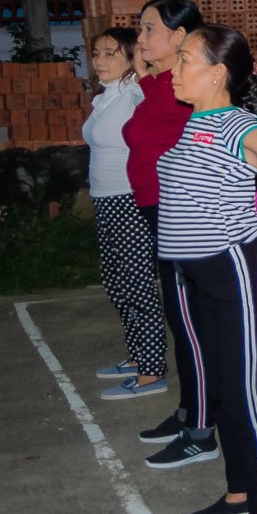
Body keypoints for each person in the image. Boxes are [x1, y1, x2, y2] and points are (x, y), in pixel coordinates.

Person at [157, 24, 257, 514]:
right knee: (224, 391)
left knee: (249, 393)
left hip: (232, 269)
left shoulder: (238, 124)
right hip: (196, 276)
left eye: (184, 59)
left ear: (217, 73)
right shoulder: (197, 121)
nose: (174, 69)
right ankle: (239, 493)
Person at [125, 0, 212, 463]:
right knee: (181, 319)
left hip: (178, 213)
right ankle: (188, 409)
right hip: (157, 211)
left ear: (179, 37)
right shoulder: (163, 84)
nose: (139, 39)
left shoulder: (184, 86)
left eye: (149, 29)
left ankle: (201, 430)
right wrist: (145, 74)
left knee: (189, 322)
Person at [82, 26, 167, 402]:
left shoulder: (135, 92)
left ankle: (151, 371)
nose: (99, 61)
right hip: (104, 200)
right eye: (96, 53)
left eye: (110, 53)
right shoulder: (105, 96)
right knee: (116, 284)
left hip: (128, 200)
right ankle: (137, 356)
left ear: (131, 57)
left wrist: (144, 70)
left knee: (137, 285)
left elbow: (158, 102)